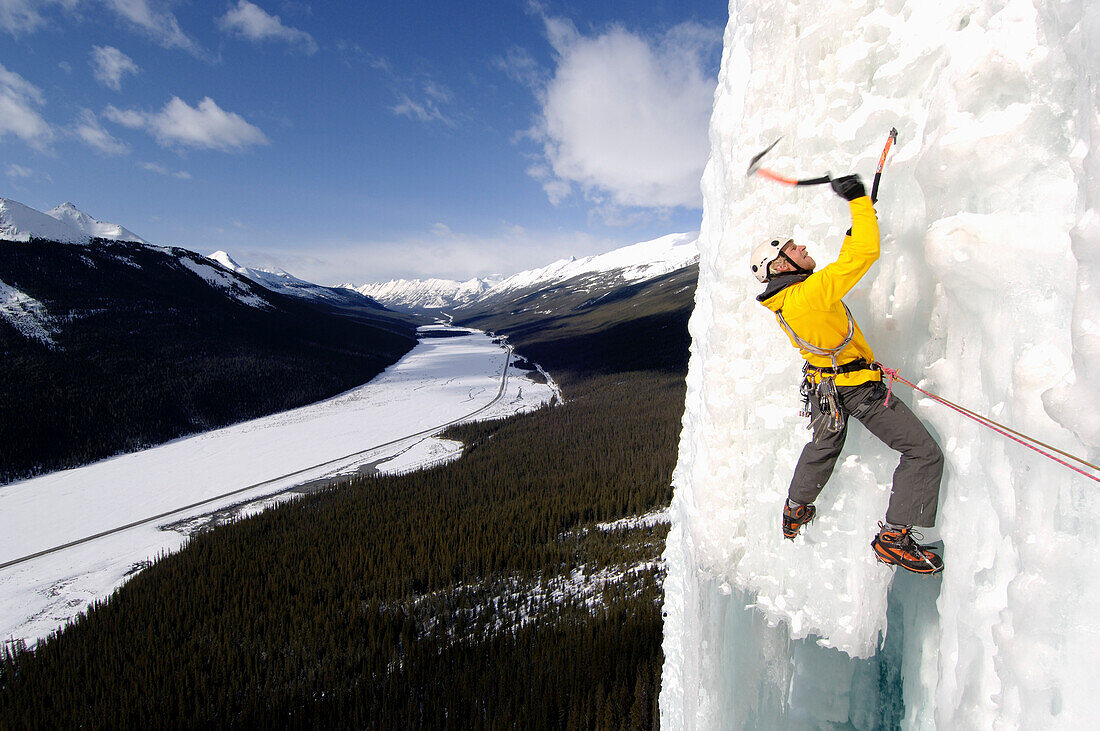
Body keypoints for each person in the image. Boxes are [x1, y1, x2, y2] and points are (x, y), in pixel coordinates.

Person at [749, 174, 945, 575]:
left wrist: (857, 227)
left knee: (824, 446)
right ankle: (894, 537)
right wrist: (858, 200)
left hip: (825, 388)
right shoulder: (809, 294)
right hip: (856, 389)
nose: (801, 247)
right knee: (923, 453)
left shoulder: (790, 299)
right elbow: (862, 257)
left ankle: (795, 507)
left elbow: (841, 266)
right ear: (781, 265)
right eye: (792, 248)